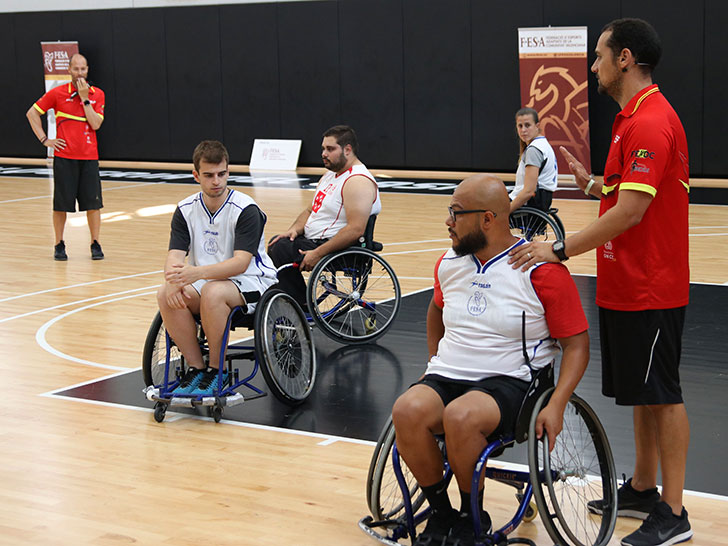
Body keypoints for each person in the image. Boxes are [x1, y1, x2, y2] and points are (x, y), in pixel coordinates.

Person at [509, 18, 692, 546]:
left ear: (625, 59)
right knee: (642, 393)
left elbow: (632, 212)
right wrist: (589, 182)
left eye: (599, 56)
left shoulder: (652, 121)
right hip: (623, 282)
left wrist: (560, 247)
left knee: (663, 395)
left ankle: (674, 513)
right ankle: (641, 485)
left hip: (651, 285)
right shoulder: (627, 119)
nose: (593, 66)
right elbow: (619, 193)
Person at [392, 174, 590, 546]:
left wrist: (558, 403)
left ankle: (471, 517)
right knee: (406, 410)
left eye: (455, 213)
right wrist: (433, 361)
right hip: (450, 373)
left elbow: (577, 345)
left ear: (487, 219)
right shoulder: (450, 263)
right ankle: (441, 513)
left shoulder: (541, 272)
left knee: (460, 416)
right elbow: (437, 310)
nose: (447, 221)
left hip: (512, 380)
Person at [156, 140, 277, 396]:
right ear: (196, 175)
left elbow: (241, 263)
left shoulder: (246, 209)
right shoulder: (186, 209)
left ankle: (217, 370)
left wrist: (195, 273)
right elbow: (175, 256)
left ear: (228, 171)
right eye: (209, 176)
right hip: (209, 281)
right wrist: (173, 281)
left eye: (222, 174)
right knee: (166, 295)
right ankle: (197, 368)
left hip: (254, 281)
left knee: (213, 292)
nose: (217, 181)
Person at [267, 125, 381, 305]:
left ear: (348, 150)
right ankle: (296, 304)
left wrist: (317, 253)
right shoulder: (330, 175)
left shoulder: (357, 181)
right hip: (315, 241)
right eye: (323, 149)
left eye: (330, 149)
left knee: (279, 249)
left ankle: (299, 306)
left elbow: (355, 229)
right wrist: (293, 230)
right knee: (278, 242)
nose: (324, 154)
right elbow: (310, 211)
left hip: (337, 249)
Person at [26, 53, 106, 261]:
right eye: (75, 69)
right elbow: (32, 114)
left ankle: (95, 243)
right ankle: (59, 244)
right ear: (69, 70)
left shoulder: (97, 94)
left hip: (89, 157)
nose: (79, 73)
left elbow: (96, 124)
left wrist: (85, 98)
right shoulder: (57, 93)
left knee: (93, 204)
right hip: (64, 158)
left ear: (88, 70)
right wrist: (45, 140)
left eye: (83, 69)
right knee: (61, 204)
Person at [509, 107, 558, 213]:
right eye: (520, 126)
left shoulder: (534, 150)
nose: (523, 130)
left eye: (527, 125)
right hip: (542, 201)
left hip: (531, 204)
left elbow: (528, 191)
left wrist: (506, 212)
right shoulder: (543, 144)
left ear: (537, 126)